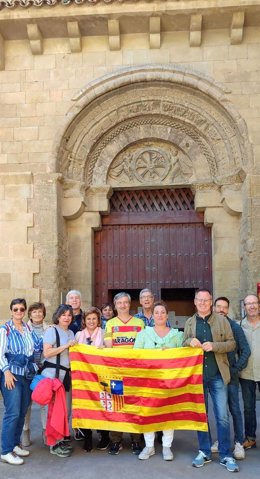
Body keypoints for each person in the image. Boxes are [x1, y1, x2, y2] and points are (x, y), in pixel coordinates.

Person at [183, 289, 239, 473]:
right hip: (198, 376)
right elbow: (183, 343)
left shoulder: (222, 321)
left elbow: (232, 344)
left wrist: (214, 346)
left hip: (217, 375)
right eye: (199, 300)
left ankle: (225, 454)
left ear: (211, 302)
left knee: (222, 416)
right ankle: (204, 451)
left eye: (206, 300)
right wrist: (189, 341)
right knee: (202, 415)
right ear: (195, 302)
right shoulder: (190, 322)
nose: (202, 303)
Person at [134, 301, 183, 461]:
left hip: (170, 381)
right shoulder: (143, 334)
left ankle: (166, 447)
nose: (160, 315)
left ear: (167, 315)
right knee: (149, 413)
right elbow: (136, 357)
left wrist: (172, 353)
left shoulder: (177, 335)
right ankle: (149, 446)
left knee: (168, 413)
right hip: (148, 381)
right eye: (157, 312)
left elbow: (184, 356)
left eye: (163, 312)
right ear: (152, 315)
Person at [0, 298, 42, 465]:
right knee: (13, 412)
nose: (19, 312)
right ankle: (5, 450)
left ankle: (14, 444)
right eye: (16, 309)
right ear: (11, 311)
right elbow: (0, 354)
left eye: (21, 309)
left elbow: (36, 348)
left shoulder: (27, 328)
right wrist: (6, 372)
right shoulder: (5, 330)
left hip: (26, 375)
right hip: (11, 375)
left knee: (23, 410)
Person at [104, 292, 144, 455]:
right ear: (115, 305)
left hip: (135, 372)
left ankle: (136, 440)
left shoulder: (140, 323)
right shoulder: (110, 323)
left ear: (130, 304)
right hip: (116, 372)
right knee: (117, 405)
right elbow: (108, 346)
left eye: (125, 302)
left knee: (135, 405)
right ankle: (116, 441)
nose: (122, 305)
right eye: (119, 302)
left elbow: (144, 346)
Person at [211, 297, 250, 460]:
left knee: (234, 409)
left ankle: (239, 442)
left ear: (228, 309)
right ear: (214, 308)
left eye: (224, 307)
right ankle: (222, 440)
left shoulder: (234, 327)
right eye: (218, 306)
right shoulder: (209, 325)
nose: (221, 309)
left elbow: (245, 350)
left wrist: (235, 369)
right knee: (221, 413)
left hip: (230, 377)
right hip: (214, 375)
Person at [41, 304, 77, 457]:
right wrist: (65, 346)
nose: (66, 317)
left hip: (66, 376)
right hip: (52, 376)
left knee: (64, 411)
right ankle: (53, 444)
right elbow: (47, 352)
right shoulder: (51, 330)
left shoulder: (70, 332)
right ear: (58, 316)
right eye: (64, 315)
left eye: (69, 315)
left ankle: (60, 438)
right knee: (52, 411)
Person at [75, 307, 110, 452]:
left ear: (98, 320)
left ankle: (104, 436)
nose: (91, 321)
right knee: (85, 406)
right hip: (84, 378)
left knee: (103, 406)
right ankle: (87, 436)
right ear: (84, 321)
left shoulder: (104, 333)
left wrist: (104, 349)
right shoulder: (78, 335)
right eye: (88, 319)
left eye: (94, 318)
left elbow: (110, 351)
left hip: (101, 376)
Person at [22, 302, 49, 447]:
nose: (37, 314)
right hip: (27, 370)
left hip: (43, 370)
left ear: (44, 314)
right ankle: (25, 431)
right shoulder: (23, 328)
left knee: (44, 402)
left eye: (40, 311)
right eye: (34, 312)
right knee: (27, 403)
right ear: (30, 314)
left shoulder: (49, 329)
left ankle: (45, 431)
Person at [239, 293, 260, 450]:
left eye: (255, 303)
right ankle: (250, 437)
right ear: (244, 306)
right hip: (246, 373)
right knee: (248, 407)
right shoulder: (239, 326)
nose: (252, 306)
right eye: (248, 304)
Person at [66, 289, 85, 441]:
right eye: (71, 298)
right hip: (66, 364)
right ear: (67, 302)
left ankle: (79, 428)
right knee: (66, 400)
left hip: (84, 365)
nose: (74, 300)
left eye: (76, 298)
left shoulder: (87, 317)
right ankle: (64, 430)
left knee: (81, 398)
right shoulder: (62, 318)